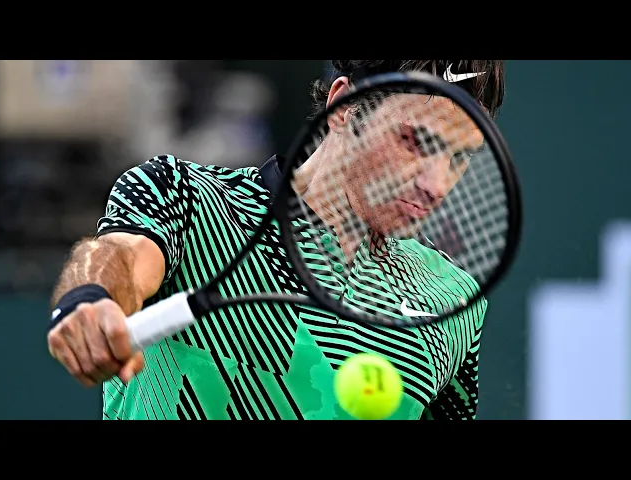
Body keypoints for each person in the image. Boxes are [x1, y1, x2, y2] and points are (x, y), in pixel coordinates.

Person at [47, 60, 506, 420]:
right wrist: (90, 301)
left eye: (459, 157)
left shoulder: (454, 301)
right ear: (344, 106)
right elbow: (121, 258)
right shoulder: (187, 198)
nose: (436, 184)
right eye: (414, 141)